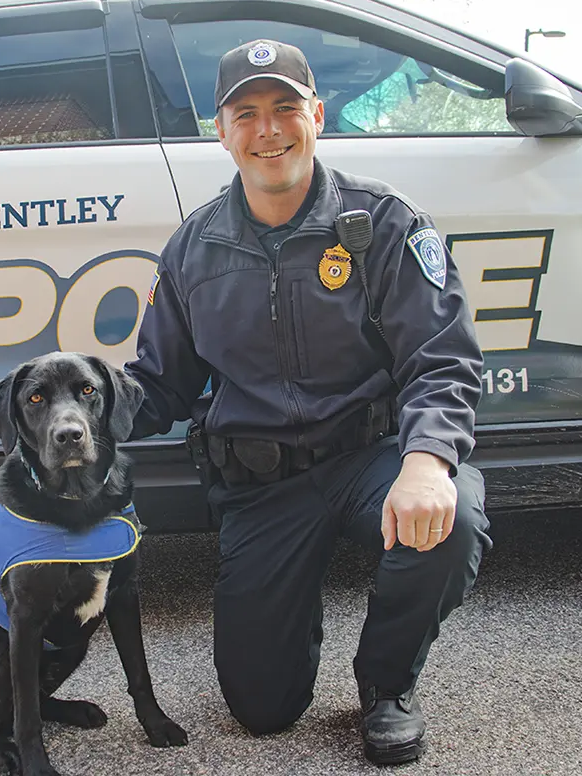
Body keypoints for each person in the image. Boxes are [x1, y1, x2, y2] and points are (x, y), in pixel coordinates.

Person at [125, 38, 492, 766]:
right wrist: (67, 421)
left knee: (448, 522)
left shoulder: (383, 223)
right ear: (222, 133)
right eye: (247, 114)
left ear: (317, 116)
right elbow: (159, 385)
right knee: (263, 711)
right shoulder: (193, 249)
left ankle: (385, 686)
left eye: (286, 108)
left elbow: (441, 358)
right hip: (263, 488)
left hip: (371, 458)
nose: (269, 130)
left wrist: (426, 464)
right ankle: (288, 625)